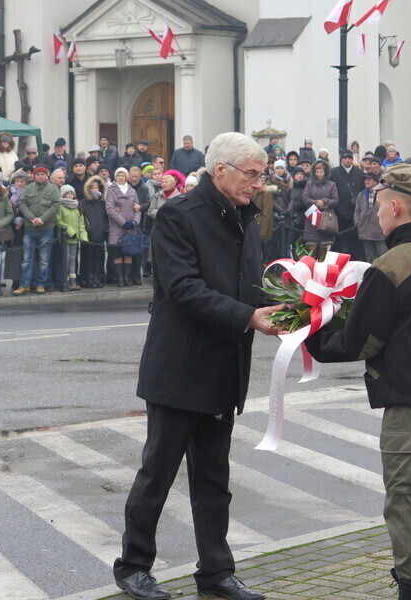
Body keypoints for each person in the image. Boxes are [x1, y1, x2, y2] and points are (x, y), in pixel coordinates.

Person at [113, 132, 281, 600]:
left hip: (224, 367)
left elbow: (247, 287)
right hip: (180, 369)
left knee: (214, 481)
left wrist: (292, 305)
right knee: (157, 474)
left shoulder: (246, 217)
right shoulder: (179, 215)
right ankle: (133, 566)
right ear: (220, 169)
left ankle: (216, 572)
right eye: (252, 174)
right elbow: (183, 288)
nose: (258, 184)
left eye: (262, 175)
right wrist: (248, 317)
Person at [304, 163, 411, 600]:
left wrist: (311, 330)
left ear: (395, 207)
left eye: (379, 206)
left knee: (409, 504)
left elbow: (360, 342)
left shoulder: (390, 266)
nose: (377, 213)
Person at [14, 165, 60, 295]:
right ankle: (24, 285)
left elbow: (55, 205)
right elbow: (22, 203)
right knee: (26, 259)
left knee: (44, 260)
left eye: (42, 174)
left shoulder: (53, 188)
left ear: (47, 175)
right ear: (34, 176)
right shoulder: (28, 188)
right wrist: (31, 218)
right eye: (38, 174)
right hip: (30, 229)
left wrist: (42, 219)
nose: (40, 176)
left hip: (46, 228)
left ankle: (41, 284)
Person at [105, 167, 141, 287]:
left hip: (131, 227)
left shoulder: (132, 191)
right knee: (117, 252)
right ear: (115, 177)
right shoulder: (111, 190)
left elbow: (137, 208)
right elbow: (110, 209)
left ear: (126, 177)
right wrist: (123, 222)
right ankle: (120, 278)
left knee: (128, 252)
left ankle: (127, 277)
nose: (121, 177)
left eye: (123, 175)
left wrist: (135, 222)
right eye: (118, 175)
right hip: (117, 226)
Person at [331, 148, 365, 259]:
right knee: (340, 243)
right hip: (338, 212)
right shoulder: (334, 173)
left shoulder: (359, 173)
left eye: (349, 158)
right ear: (341, 159)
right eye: (345, 158)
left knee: (354, 242)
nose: (347, 160)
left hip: (355, 212)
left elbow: (363, 191)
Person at [55, 184, 87, 291]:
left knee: (73, 259)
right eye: (67, 194)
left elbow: (81, 223)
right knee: (66, 259)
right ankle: (65, 281)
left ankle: (73, 281)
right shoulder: (60, 207)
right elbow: (59, 221)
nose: (69, 196)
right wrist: (70, 231)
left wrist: (83, 237)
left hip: (75, 239)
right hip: (65, 238)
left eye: (71, 193)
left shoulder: (77, 206)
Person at [81, 175, 108, 288]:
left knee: (99, 258)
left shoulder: (103, 203)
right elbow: (82, 218)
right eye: (92, 188)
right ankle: (88, 278)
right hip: (88, 235)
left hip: (100, 233)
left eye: (97, 188)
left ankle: (98, 277)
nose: (95, 190)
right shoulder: (83, 203)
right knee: (87, 258)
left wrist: (104, 229)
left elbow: (106, 218)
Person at [353, 171, 387, 262]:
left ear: (375, 181)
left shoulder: (382, 193)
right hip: (365, 230)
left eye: (369, 179)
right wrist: (358, 222)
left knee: (383, 257)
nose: (366, 181)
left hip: (380, 230)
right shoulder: (361, 194)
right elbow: (357, 210)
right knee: (369, 257)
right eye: (365, 179)